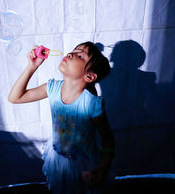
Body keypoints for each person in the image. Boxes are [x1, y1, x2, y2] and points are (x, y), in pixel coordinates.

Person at [8, 41, 115, 193]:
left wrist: (104, 167)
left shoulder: (92, 103)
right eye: (73, 50)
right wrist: (32, 66)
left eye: (80, 55)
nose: (70, 54)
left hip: (84, 166)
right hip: (58, 161)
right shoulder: (52, 88)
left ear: (89, 76)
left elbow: (108, 138)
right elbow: (15, 98)